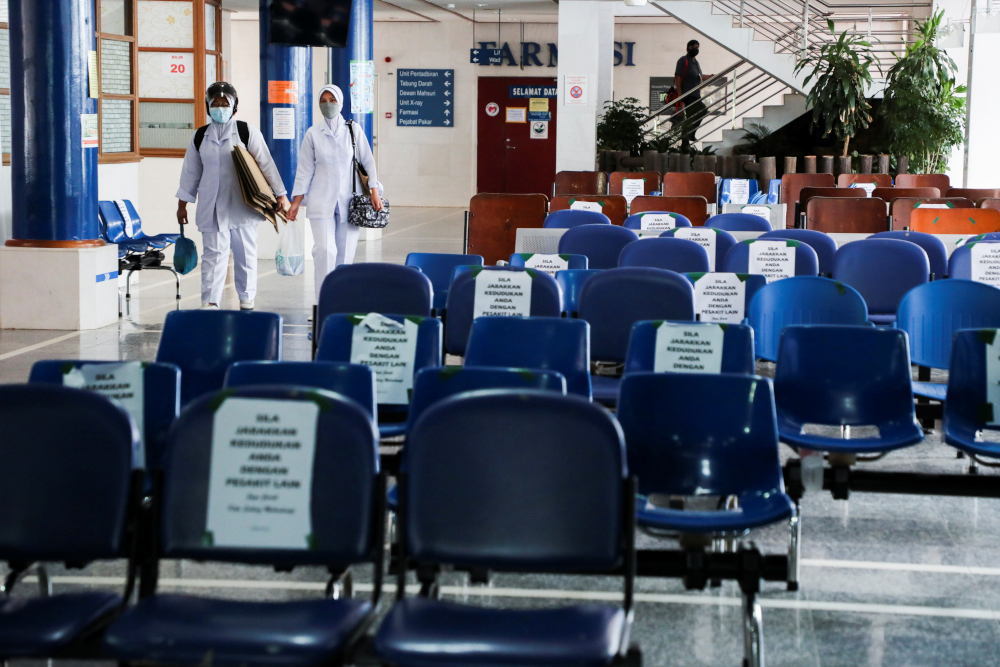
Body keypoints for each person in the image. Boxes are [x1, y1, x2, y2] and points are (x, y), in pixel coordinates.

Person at [176, 82, 289, 311]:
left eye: (225, 104)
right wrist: (182, 205)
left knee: (245, 254)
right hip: (212, 207)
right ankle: (210, 301)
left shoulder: (246, 131)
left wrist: (281, 195)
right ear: (208, 107)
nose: (220, 108)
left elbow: (266, 164)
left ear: (234, 106)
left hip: (243, 205)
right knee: (213, 256)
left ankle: (247, 298)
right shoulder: (199, 136)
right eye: (215, 104)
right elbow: (190, 173)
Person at [287, 85, 384, 304]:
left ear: (340, 103)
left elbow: (368, 161)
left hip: (350, 201)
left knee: (344, 255)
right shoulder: (313, 133)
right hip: (321, 201)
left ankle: (339, 301)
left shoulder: (353, 130)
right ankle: (322, 304)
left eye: (332, 99)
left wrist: (374, 192)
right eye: (323, 99)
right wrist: (296, 202)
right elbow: (304, 170)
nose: (328, 104)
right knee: (324, 250)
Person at [674, 40, 706, 153]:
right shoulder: (683, 60)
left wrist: (713, 77)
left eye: (697, 47)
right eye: (693, 46)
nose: (695, 48)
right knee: (702, 110)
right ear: (688, 47)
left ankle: (685, 143)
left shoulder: (696, 63)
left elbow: (700, 77)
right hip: (687, 94)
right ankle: (689, 135)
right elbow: (677, 75)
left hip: (696, 94)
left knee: (691, 117)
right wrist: (679, 92)